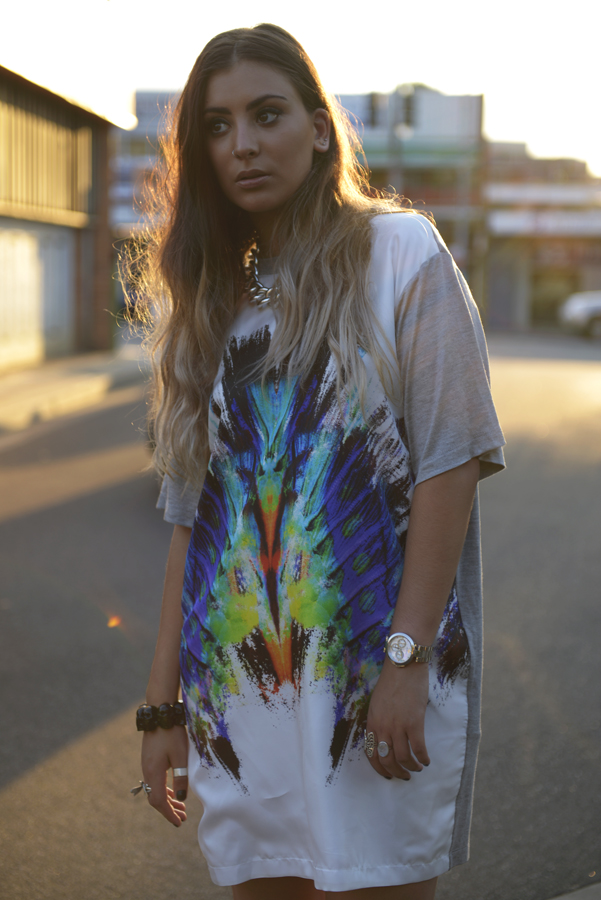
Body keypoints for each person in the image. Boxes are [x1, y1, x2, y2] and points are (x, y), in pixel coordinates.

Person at [132, 22, 505, 900]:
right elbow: (192, 524)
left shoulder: (399, 252)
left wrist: (404, 662)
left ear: (319, 127)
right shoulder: (211, 300)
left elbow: (448, 464)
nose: (242, 143)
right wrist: (162, 707)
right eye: (216, 126)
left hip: (370, 681)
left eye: (266, 114)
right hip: (239, 698)